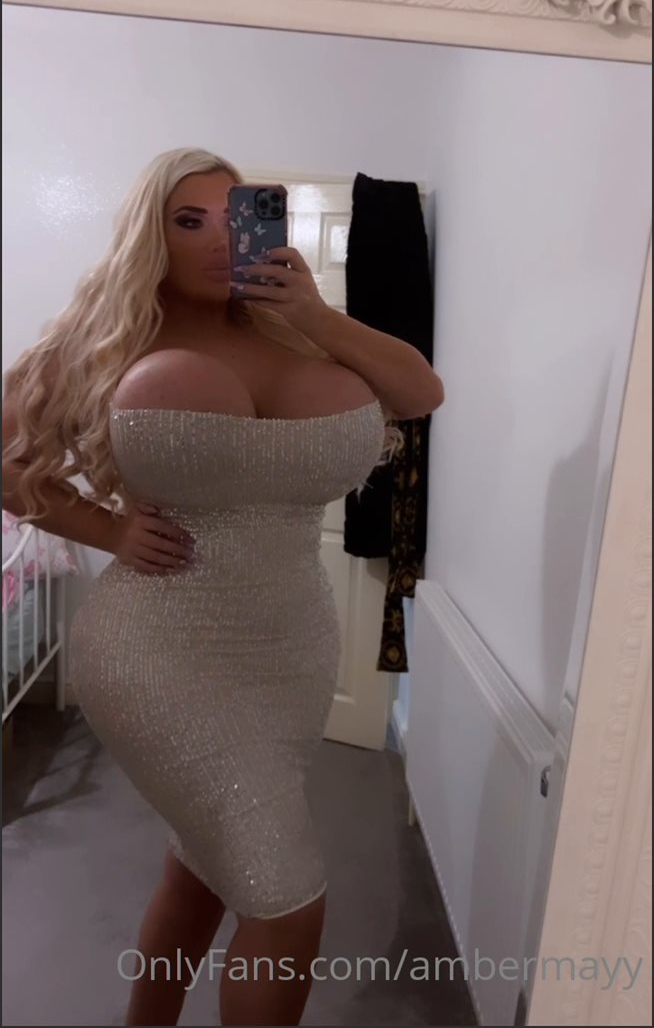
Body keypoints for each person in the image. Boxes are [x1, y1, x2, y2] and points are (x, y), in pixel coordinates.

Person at [2, 147, 444, 1027]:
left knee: (203, 864)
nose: (215, 239)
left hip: (292, 647)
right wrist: (108, 529)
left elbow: (420, 390)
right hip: (158, 650)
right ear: (150, 236)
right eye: (188, 219)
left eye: (234, 216)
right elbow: (10, 461)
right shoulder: (110, 338)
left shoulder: (299, 332)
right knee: (285, 898)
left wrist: (314, 311)